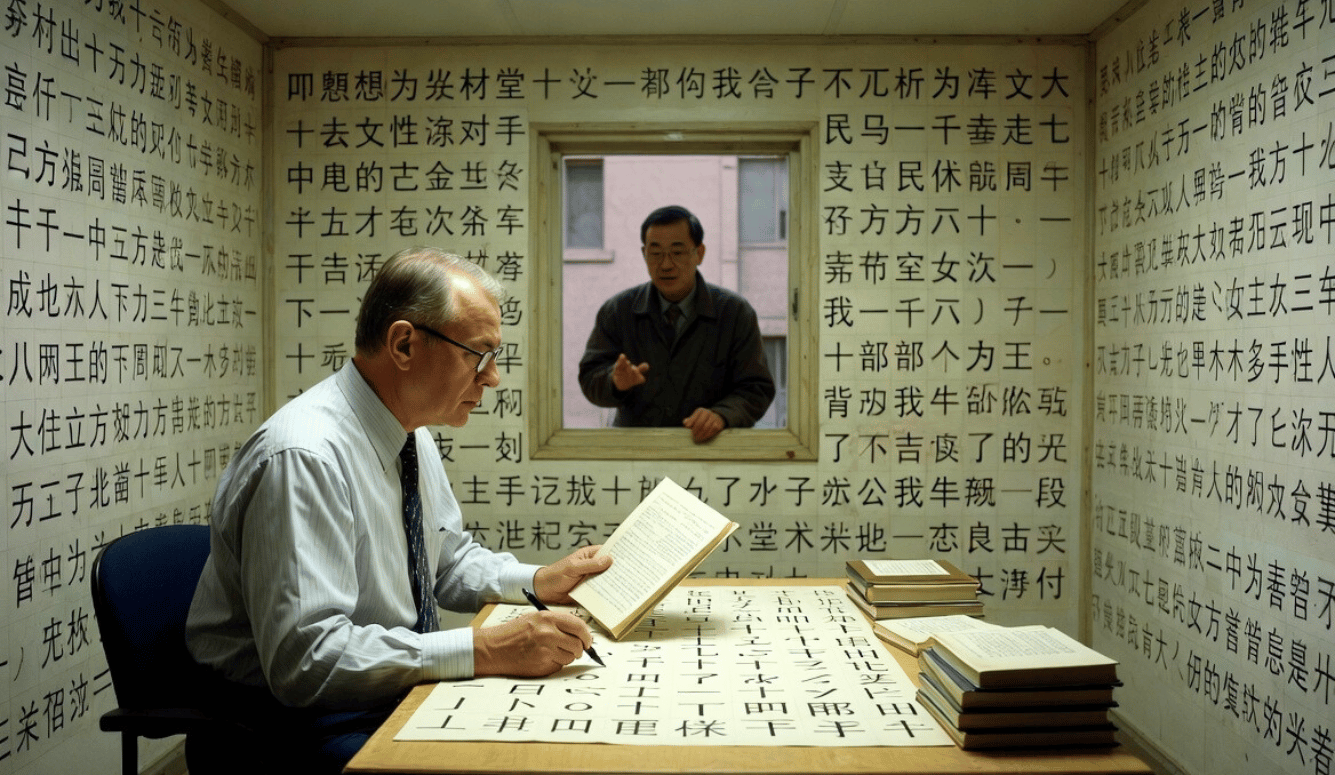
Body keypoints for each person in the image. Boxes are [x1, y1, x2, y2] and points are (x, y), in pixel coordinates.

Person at [186, 246, 610, 773]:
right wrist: (487, 650)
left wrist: (542, 579)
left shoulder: (409, 431)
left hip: (381, 691)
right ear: (405, 344)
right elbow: (306, 661)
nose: (493, 377)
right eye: (478, 355)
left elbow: (446, 561)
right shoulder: (305, 456)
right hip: (288, 722)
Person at [578, 205, 775, 442]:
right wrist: (614, 381)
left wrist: (722, 414)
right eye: (656, 253)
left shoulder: (734, 313)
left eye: (677, 252)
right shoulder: (618, 311)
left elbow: (756, 388)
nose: (666, 264)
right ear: (644, 254)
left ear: (699, 253)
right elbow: (590, 378)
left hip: (706, 452)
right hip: (637, 454)